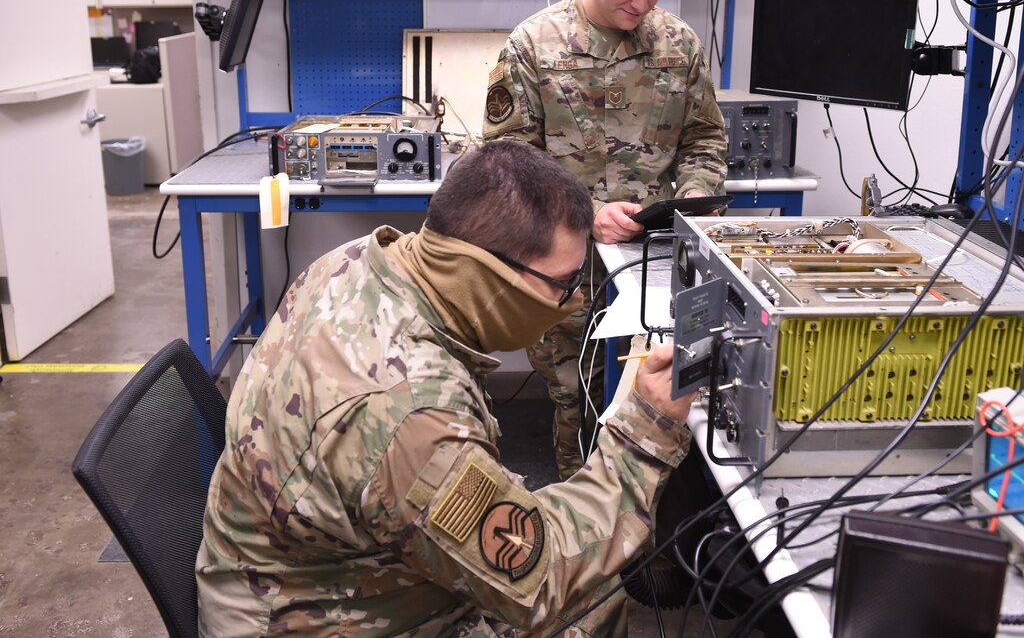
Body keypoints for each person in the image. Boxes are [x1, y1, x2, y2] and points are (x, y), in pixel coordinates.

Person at [195, 140, 696, 637]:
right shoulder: (408, 416)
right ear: (488, 275)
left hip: (299, 571)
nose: (577, 299)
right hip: (304, 618)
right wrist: (645, 431)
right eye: (565, 283)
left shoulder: (363, 260)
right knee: (589, 602)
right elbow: (542, 581)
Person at [483, 0, 728, 479]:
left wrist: (691, 202)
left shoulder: (678, 45)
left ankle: (649, 538)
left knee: (663, 398)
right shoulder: (533, 47)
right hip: (563, 268)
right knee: (579, 402)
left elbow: (705, 139)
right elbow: (509, 165)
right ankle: (581, 535)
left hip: (657, 263)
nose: (643, 4)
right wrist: (588, 213)